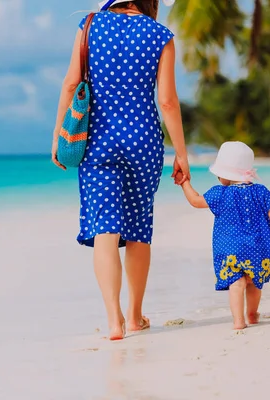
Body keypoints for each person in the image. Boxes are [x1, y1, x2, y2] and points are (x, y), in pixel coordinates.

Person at [51, 0, 189, 340]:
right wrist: (181, 153)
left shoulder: (90, 25)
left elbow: (71, 84)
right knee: (138, 228)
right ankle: (136, 313)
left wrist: (58, 137)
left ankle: (114, 321)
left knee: (105, 229)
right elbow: (168, 101)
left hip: (97, 140)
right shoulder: (160, 35)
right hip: (143, 141)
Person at [176, 141, 270, 330]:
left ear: (226, 174)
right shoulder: (261, 191)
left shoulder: (220, 194)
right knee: (254, 283)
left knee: (236, 283)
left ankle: (239, 321)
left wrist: (185, 183)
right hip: (258, 247)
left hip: (229, 249)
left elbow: (195, 201)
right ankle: (252, 314)